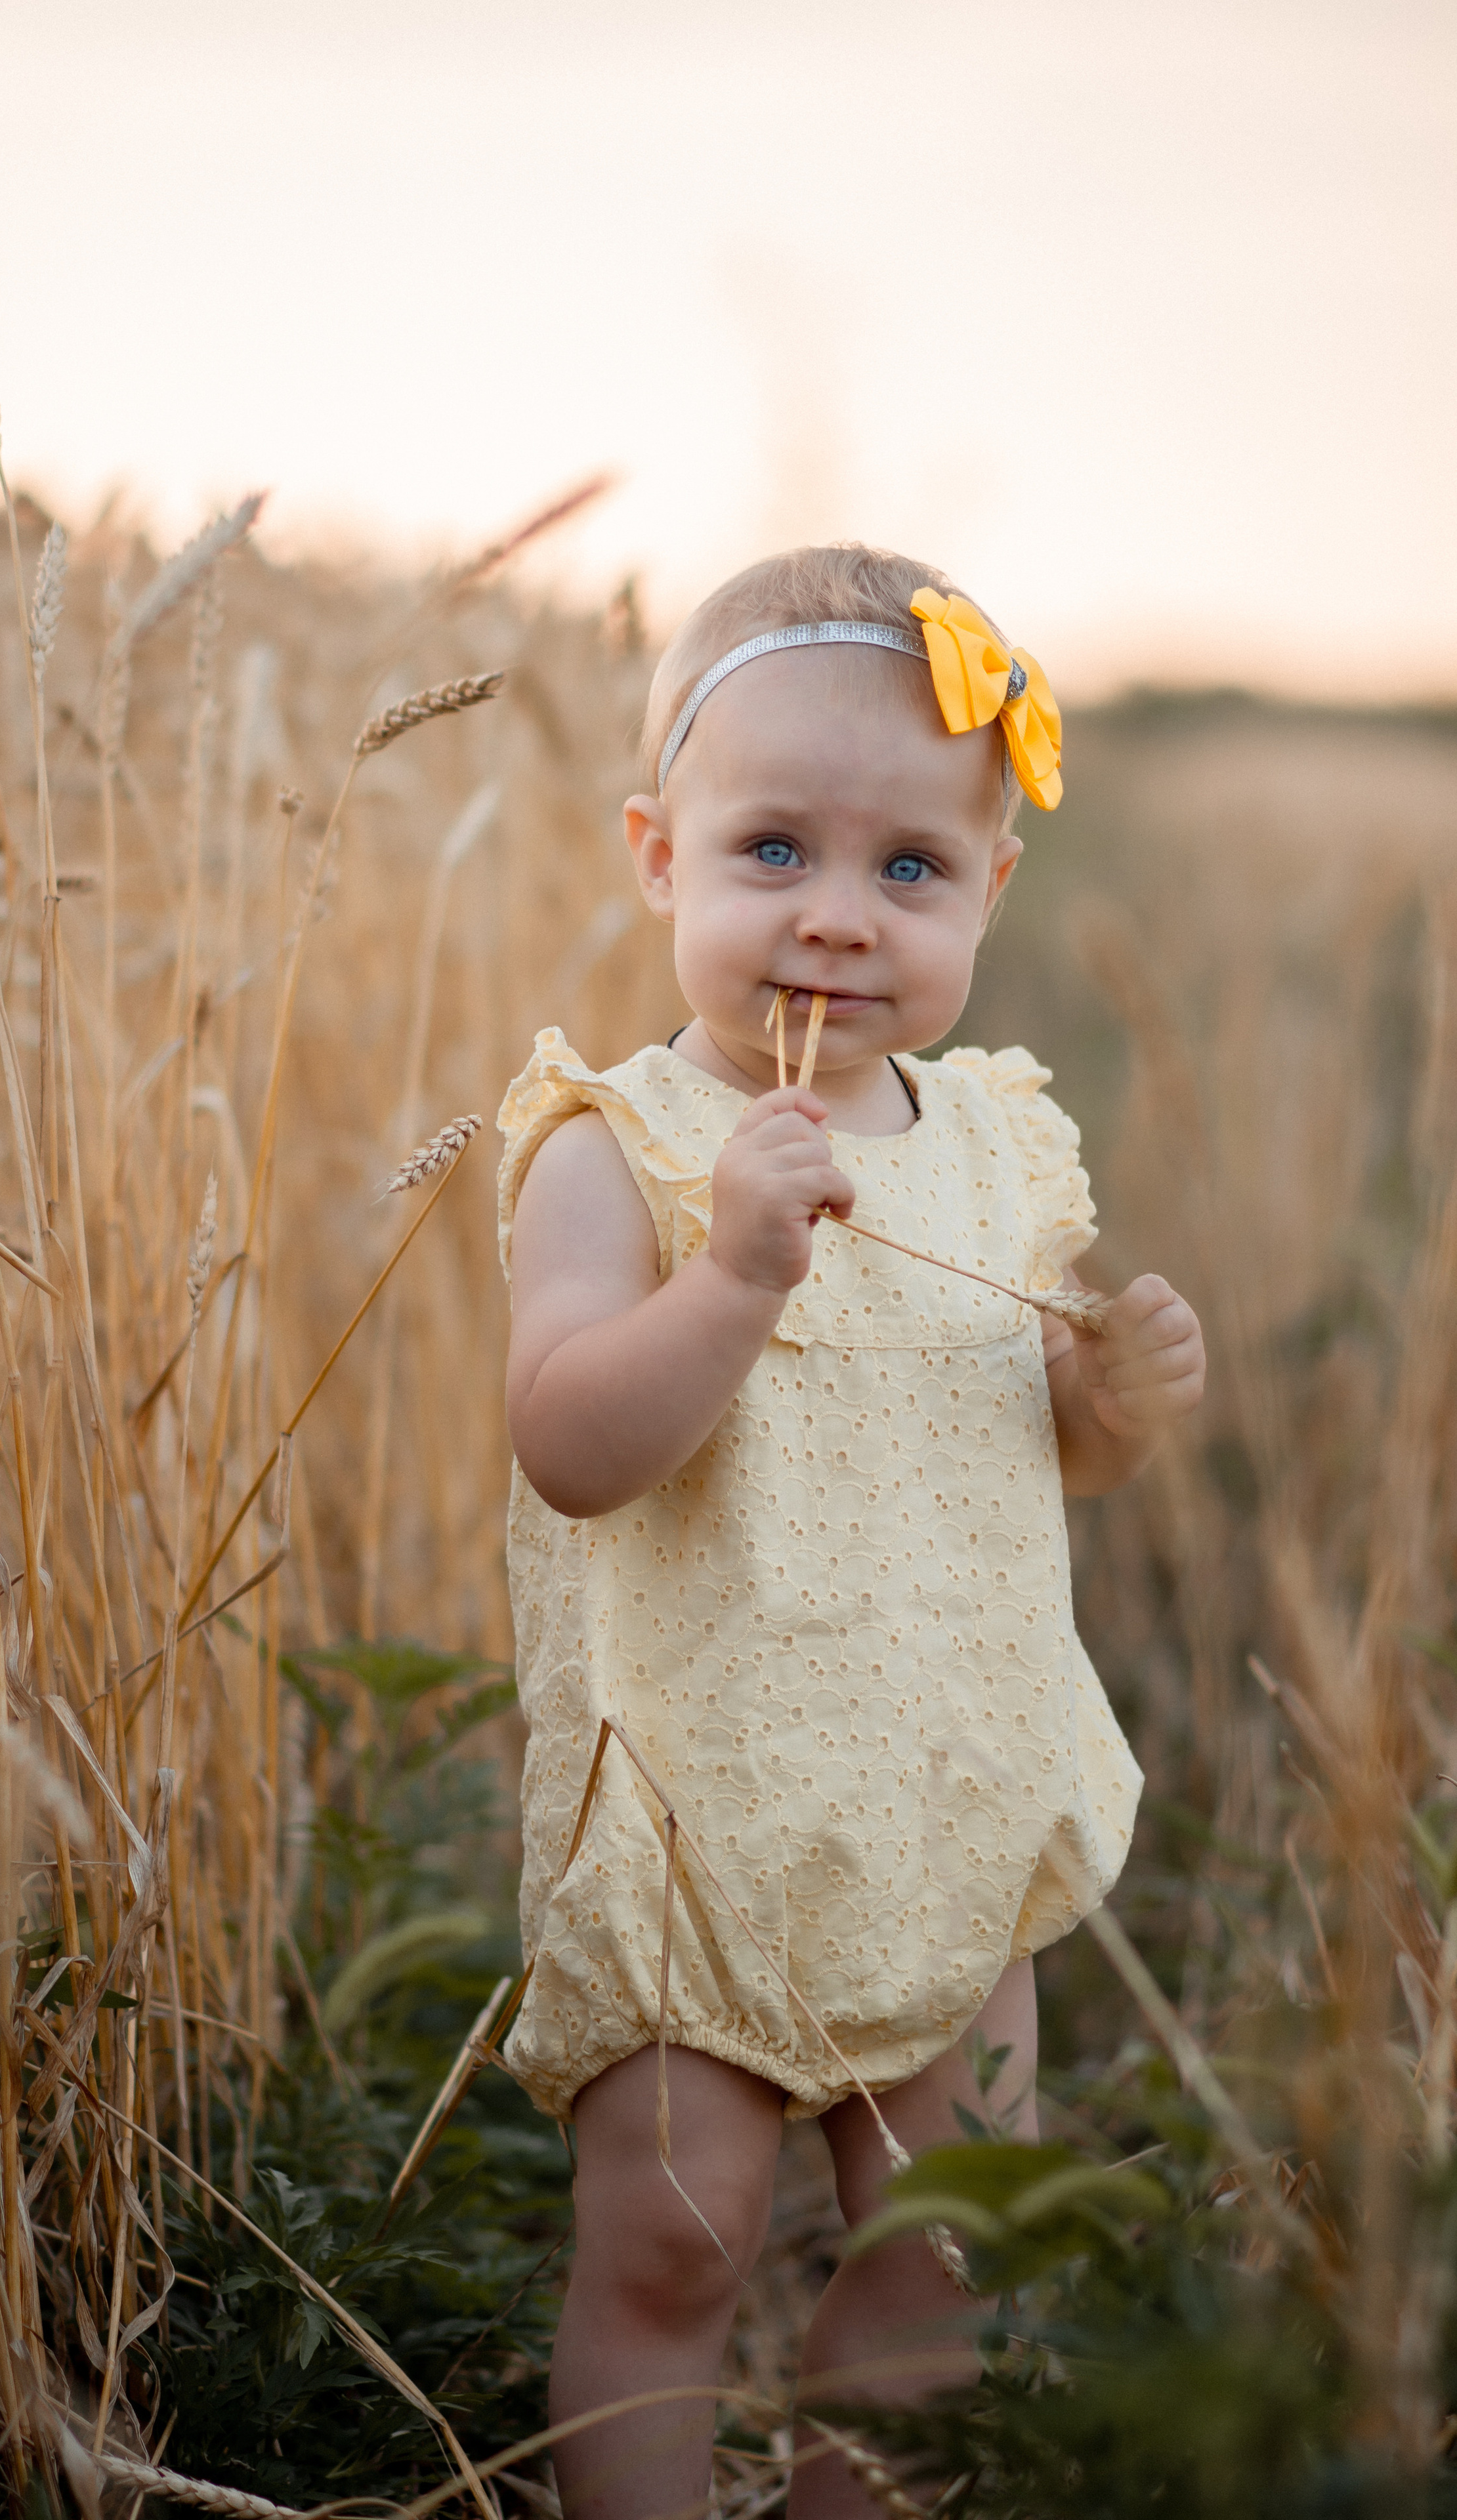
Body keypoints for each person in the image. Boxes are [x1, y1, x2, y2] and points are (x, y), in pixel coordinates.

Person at [497, 545, 1206, 2519]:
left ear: (993, 891)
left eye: (909, 867)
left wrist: (1115, 1403)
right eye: (772, 852)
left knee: (950, 2241)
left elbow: (1042, 1446)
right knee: (675, 2240)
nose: (836, 914)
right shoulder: (615, 1148)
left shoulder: (997, 1149)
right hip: (694, 1819)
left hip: (947, 1794)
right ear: (660, 860)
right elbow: (568, 1447)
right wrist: (732, 1276)